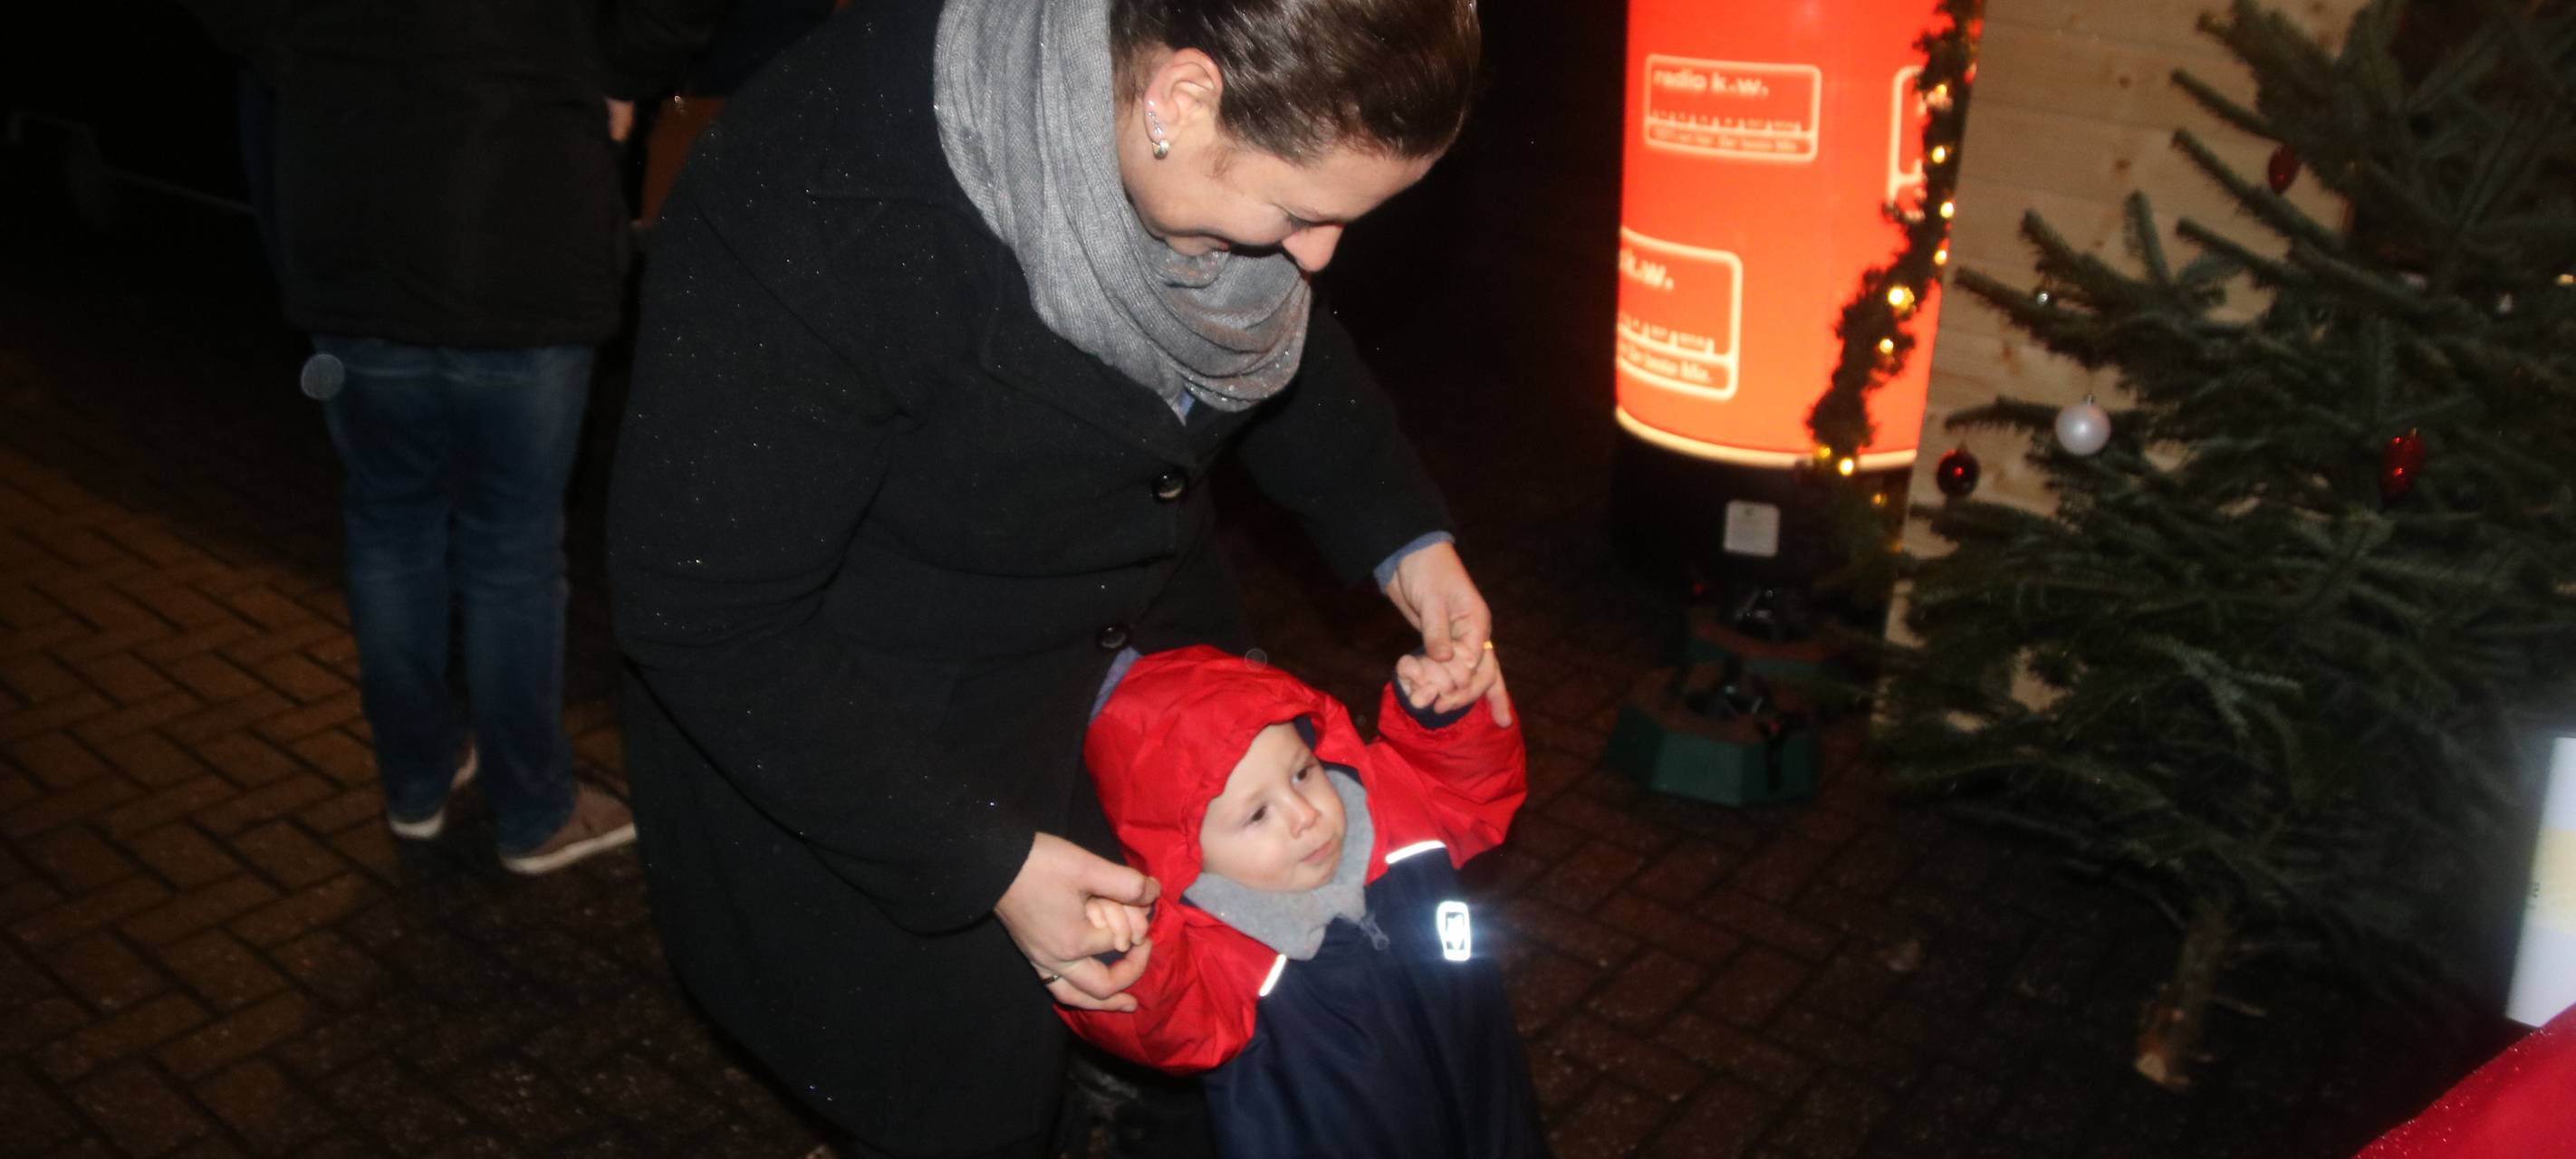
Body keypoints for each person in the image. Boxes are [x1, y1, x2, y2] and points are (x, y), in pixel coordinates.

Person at [604, 0, 1508, 1154]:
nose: (1319, 257)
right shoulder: (830, 205)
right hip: (885, 752)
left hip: (1127, 686)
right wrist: (984, 861)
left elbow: (1269, 336)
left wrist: (1403, 535)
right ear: (1179, 100)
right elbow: (702, 615)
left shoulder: (1202, 167)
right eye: (1298, 209)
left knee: (1188, 1061)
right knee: (963, 1098)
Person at [176, 0, 721, 873]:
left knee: (389, 521)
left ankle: (417, 775)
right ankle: (532, 805)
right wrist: (619, 72)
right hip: (522, 206)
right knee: (509, 547)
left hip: (351, 209)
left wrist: (315, 56)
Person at [1066, 645, 1546, 1158]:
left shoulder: (1392, 810)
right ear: (1186, 856)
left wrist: (1445, 720)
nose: (1304, 815)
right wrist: (1121, 947)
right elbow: (1155, 1022)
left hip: (1489, 1111)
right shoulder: (1209, 964)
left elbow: (1468, 791)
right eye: (1257, 816)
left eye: (1302, 773)